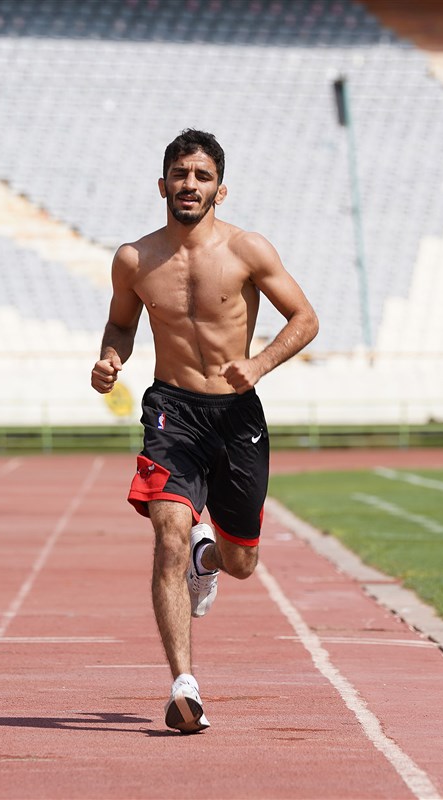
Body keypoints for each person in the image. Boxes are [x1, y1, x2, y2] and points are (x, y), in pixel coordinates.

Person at [90, 129, 319, 733]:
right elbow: (121, 325)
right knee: (168, 532)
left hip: (237, 415)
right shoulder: (134, 259)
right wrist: (111, 357)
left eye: (202, 176)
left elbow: (305, 318)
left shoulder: (248, 249)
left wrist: (259, 364)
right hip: (172, 412)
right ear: (162, 184)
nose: (189, 185)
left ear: (220, 188)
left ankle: (208, 557)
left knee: (241, 562)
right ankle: (183, 685)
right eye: (180, 174)